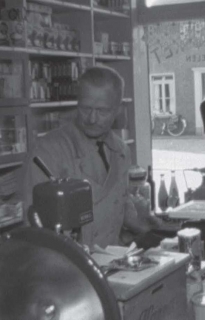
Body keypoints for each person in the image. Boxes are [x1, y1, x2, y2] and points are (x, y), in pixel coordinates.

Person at [21, 66, 151, 249]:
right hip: (68, 267)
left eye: (102, 111)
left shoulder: (121, 151)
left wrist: (145, 225)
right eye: (85, 108)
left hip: (112, 264)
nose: (92, 119)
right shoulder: (47, 152)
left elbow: (116, 205)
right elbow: (34, 227)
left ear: (117, 110)